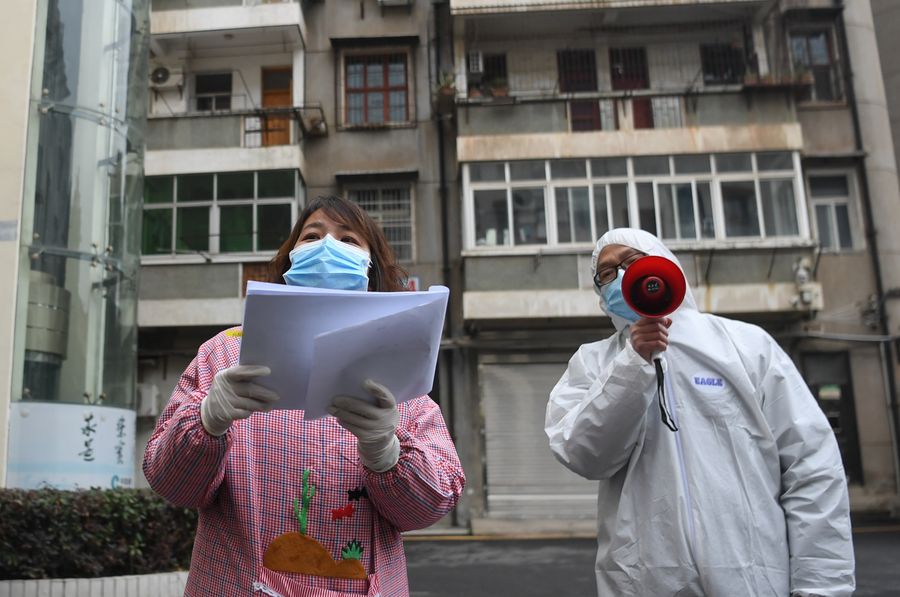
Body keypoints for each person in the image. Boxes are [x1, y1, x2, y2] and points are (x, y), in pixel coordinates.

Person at [144, 195, 465, 597]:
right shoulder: (225, 355)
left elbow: (429, 508)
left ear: (371, 266)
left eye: (349, 240)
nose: (328, 247)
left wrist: (388, 453)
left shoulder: (400, 373)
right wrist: (207, 422)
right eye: (312, 236)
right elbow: (171, 485)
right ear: (289, 257)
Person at [545, 228, 854, 597]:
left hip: (751, 580)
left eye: (631, 261)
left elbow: (811, 465)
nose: (621, 276)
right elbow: (585, 455)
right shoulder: (593, 362)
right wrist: (632, 364)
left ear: (663, 263)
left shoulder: (745, 346)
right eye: (607, 273)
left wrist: (821, 586)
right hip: (643, 583)